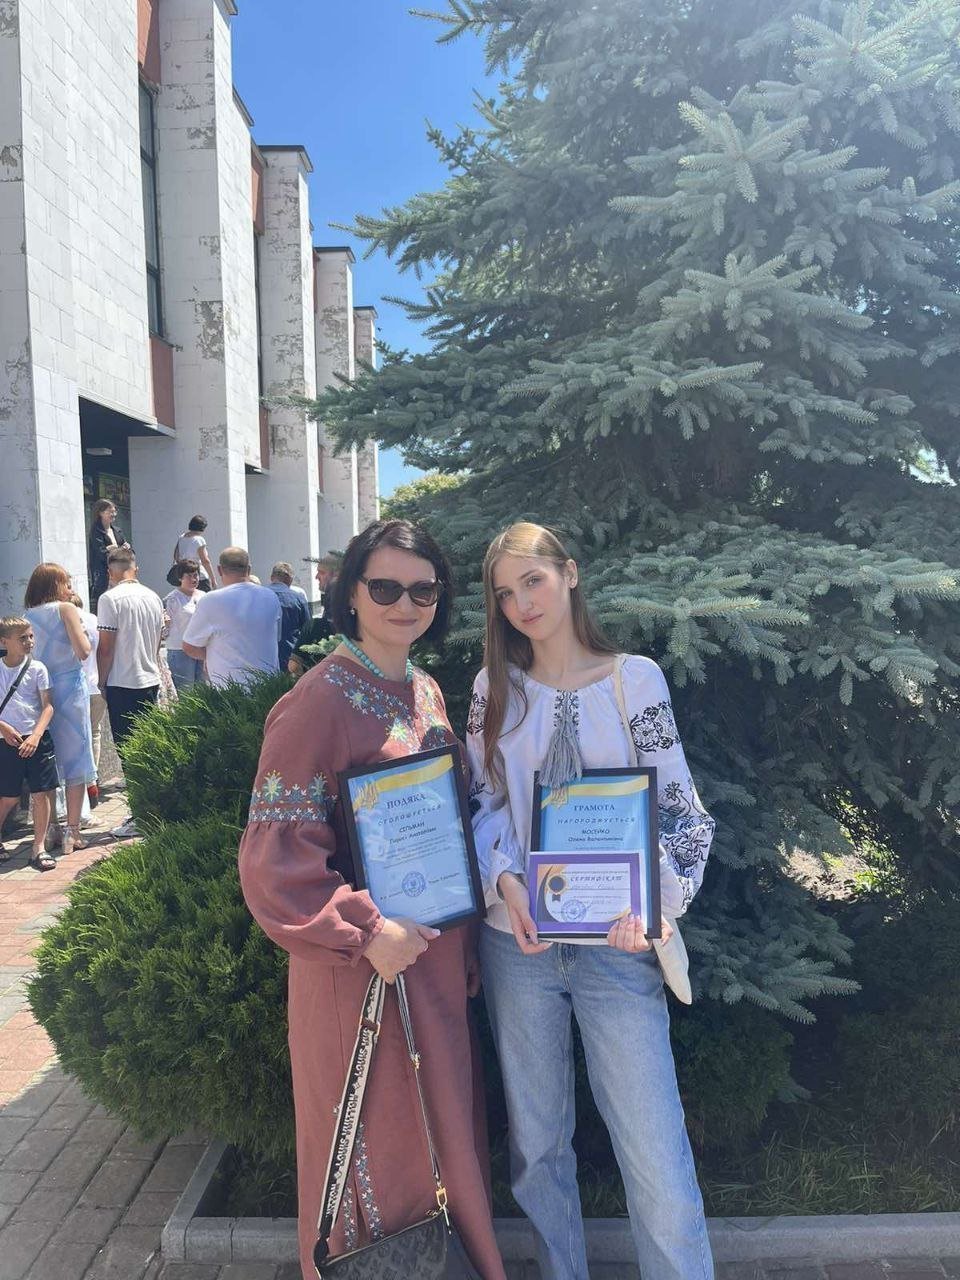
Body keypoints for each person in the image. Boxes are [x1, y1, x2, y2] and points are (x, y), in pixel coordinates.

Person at [238, 519, 506, 1280]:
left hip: (435, 960)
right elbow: (275, 861)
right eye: (384, 586)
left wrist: (463, 944)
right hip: (360, 969)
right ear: (350, 593)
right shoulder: (316, 701)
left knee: (444, 1141)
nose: (404, 603)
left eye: (423, 590)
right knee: (380, 1151)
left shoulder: (426, 690)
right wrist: (364, 932)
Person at [466, 522, 716, 1280]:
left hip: (617, 947)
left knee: (655, 1151)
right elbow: (481, 804)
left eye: (532, 581)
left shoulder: (633, 681)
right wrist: (507, 882)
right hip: (518, 946)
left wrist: (657, 904)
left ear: (569, 574)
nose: (521, 604)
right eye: (504, 594)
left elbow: (681, 812)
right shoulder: (493, 689)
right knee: (537, 1149)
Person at [24, 564, 95, 857]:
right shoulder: (66, 609)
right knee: (76, 757)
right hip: (69, 689)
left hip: (42, 692)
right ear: (55, 584)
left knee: (49, 760)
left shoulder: (27, 616)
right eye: (66, 582)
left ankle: (51, 827)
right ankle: (72, 831)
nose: (69, 588)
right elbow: (84, 651)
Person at [0, 618, 58, 871]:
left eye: (31, 636)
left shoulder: (37, 668)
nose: (29, 642)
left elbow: (48, 706)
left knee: (41, 793)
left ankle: (38, 847)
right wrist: (3, 728)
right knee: (9, 797)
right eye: (22, 638)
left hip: (36, 738)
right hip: (6, 740)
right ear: (4, 642)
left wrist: (36, 735)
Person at [181, 547, 281, 688]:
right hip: (268, 686)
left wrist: (217, 655)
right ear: (249, 569)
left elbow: (189, 646)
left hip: (230, 689)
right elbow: (276, 637)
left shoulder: (211, 600)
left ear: (219, 570)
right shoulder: (271, 596)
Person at [96, 547, 165, 751]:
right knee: (148, 744)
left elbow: (106, 648)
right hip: (150, 677)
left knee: (126, 745)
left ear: (110, 572)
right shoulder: (154, 597)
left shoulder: (109, 599)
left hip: (122, 681)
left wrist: (101, 683)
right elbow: (158, 641)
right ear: (136, 569)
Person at [71, 594, 105, 809]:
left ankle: (81, 783)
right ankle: (93, 780)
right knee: (94, 732)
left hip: (74, 687)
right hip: (96, 683)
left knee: (76, 737)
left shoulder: (65, 621)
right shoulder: (94, 620)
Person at [163, 560, 205, 692]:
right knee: (185, 692)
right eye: (189, 576)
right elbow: (165, 629)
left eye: (196, 575)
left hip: (201, 648)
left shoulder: (204, 596)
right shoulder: (172, 599)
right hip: (180, 650)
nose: (194, 579)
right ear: (180, 577)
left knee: (203, 690)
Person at [266, 561, 311, 671]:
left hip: (263, 657)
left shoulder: (258, 596)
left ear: (271, 577)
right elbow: (307, 630)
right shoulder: (299, 599)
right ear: (290, 579)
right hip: (289, 658)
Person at [87, 499, 129, 606]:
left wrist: (125, 548)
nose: (113, 514)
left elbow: (126, 550)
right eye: (110, 511)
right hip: (103, 574)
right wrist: (112, 549)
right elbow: (101, 553)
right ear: (101, 513)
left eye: (114, 511)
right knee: (105, 602)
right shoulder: (95, 531)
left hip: (119, 572)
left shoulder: (117, 530)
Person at [172, 515, 217, 591]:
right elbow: (205, 561)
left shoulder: (182, 537)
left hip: (184, 576)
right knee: (204, 597)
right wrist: (213, 579)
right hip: (199, 576)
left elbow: (176, 556)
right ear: (202, 527)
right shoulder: (199, 540)